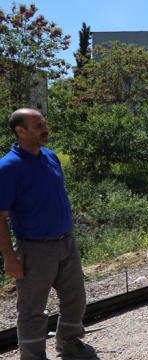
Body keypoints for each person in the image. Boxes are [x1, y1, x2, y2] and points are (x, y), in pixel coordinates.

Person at [0, 109, 96, 359]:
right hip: (35, 249)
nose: (45, 128)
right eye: (38, 125)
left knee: (76, 299)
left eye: (44, 123)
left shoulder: (50, 156)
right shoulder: (7, 168)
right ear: (21, 131)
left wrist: (69, 226)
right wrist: (9, 258)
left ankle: (69, 343)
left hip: (66, 242)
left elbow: (56, 194)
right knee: (33, 310)